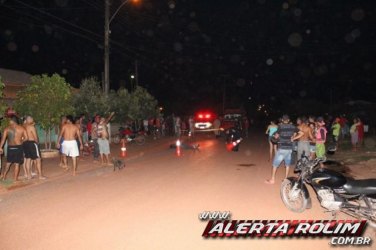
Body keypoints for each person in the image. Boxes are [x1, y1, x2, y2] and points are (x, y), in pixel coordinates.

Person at [265, 115, 303, 185]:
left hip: (282, 148)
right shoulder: (293, 127)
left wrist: (275, 137)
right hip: (289, 149)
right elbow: (301, 133)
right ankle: (286, 179)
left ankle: (272, 179)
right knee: (287, 165)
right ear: (288, 120)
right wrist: (293, 139)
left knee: (275, 164)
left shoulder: (280, 126)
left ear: (282, 120)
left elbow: (276, 136)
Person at [0, 116, 28, 181]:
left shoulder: (7, 129)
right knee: (17, 163)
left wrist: (0, 147)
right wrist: (21, 141)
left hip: (10, 148)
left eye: (10, 120)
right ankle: (15, 179)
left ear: (13, 121)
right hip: (18, 147)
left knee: (8, 163)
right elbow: (26, 138)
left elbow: (3, 140)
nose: (9, 122)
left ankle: (4, 177)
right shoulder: (22, 128)